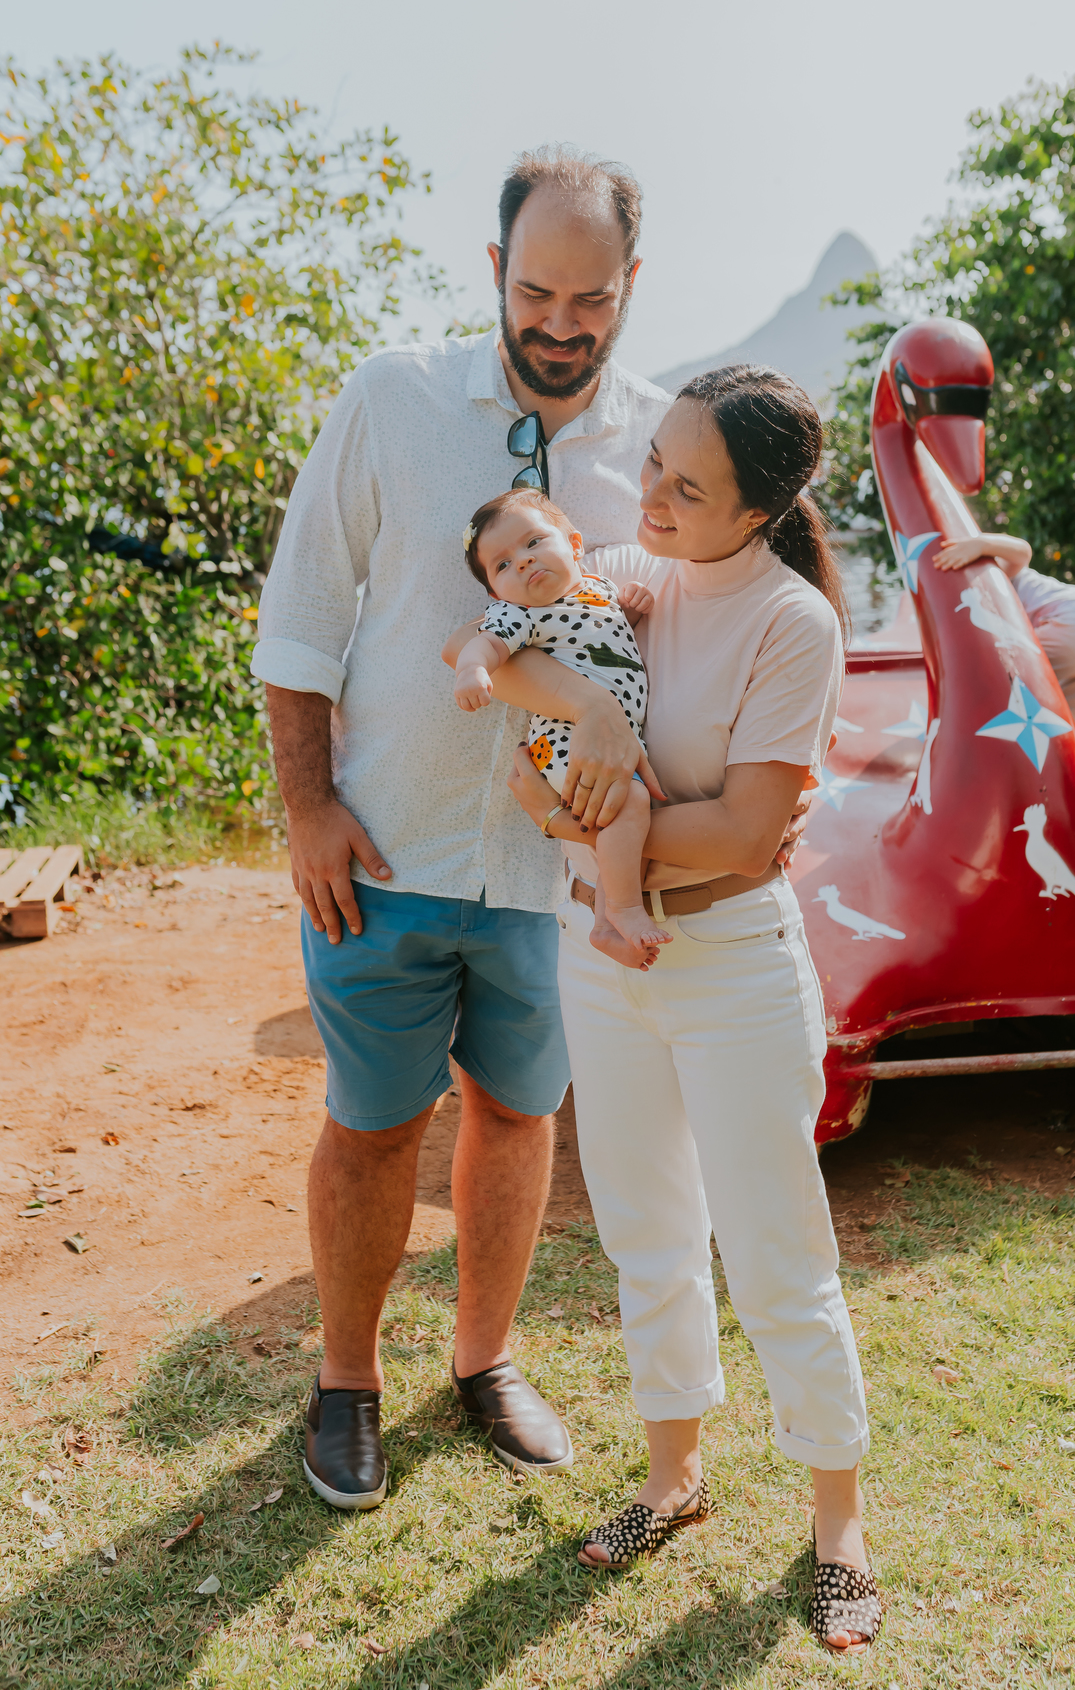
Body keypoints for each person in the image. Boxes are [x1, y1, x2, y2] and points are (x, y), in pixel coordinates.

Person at [250, 145, 675, 1509]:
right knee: (375, 1126)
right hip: (389, 851)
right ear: (495, 271)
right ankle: (347, 1381)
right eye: (535, 291)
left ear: (630, 288)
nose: (560, 324)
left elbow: (723, 607)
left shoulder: (665, 443)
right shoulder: (393, 400)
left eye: (589, 299)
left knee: (519, 1110)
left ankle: (485, 1360)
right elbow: (302, 615)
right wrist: (308, 806)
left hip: (557, 879)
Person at [474, 365, 882, 1654]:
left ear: (757, 510)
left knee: (777, 1255)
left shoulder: (792, 623)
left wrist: (593, 845)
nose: (647, 494)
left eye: (685, 484)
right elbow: (492, 654)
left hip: (735, 974)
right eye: (652, 461)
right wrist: (591, 704)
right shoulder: (622, 571)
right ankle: (673, 1478)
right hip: (607, 963)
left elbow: (756, 830)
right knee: (647, 1234)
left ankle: (838, 1529)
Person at [453, 489, 669, 966]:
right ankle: (623, 913)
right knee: (628, 803)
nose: (523, 563)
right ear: (495, 593)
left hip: (603, 736)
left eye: (533, 543)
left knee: (630, 818)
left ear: (574, 545)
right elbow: (484, 645)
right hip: (564, 740)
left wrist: (631, 607)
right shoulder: (520, 615)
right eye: (503, 566)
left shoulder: (599, 588)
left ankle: (605, 921)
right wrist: (473, 669)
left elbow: (603, 637)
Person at [932, 529, 1075, 722]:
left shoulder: (992, 575)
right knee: (1061, 721)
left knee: (995, 678)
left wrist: (981, 544)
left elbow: (1022, 551)